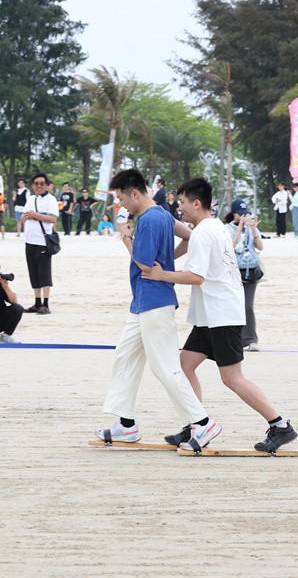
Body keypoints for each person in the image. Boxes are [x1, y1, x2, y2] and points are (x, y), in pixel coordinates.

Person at [142, 178, 297, 453]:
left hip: (222, 314)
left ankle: (280, 425)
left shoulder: (204, 232)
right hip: (210, 314)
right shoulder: (212, 226)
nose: (179, 208)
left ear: (196, 203)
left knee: (232, 377)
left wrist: (161, 274)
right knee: (184, 366)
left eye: (182, 203)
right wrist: (166, 264)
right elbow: (193, 253)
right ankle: (196, 424)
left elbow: (196, 276)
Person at [96, 168, 221, 453]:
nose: (121, 205)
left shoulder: (151, 218)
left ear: (135, 194)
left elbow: (143, 262)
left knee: (164, 366)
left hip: (155, 301)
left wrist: (126, 238)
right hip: (141, 302)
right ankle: (126, 424)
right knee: (125, 356)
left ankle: (202, 422)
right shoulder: (163, 214)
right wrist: (168, 259)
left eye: (122, 199)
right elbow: (189, 236)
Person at [226, 199, 263, 352]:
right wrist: (240, 228)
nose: (243, 217)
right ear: (233, 213)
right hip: (233, 272)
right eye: (240, 214)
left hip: (251, 271)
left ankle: (251, 339)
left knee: (248, 306)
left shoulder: (250, 228)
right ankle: (236, 340)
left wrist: (253, 230)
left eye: (245, 214)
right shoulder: (227, 228)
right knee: (233, 306)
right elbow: (230, 247)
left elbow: (260, 247)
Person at [21, 172, 58, 315]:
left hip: (43, 241)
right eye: (36, 183)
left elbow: (52, 219)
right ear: (33, 185)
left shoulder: (51, 200)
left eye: (42, 183)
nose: (39, 186)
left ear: (47, 185)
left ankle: (45, 304)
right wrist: (32, 216)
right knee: (33, 272)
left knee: (44, 273)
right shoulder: (30, 199)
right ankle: (37, 303)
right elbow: (23, 217)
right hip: (29, 240)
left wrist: (34, 215)